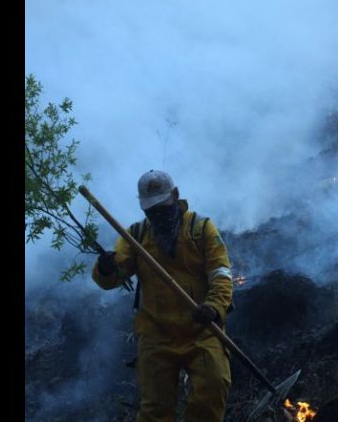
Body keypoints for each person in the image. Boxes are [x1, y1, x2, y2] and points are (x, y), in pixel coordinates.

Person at [92, 170, 234, 422]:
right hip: (156, 335)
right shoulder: (134, 237)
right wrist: (106, 268)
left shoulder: (201, 229)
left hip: (202, 330)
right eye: (151, 210)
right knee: (154, 411)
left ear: (176, 196)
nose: (158, 215)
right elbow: (117, 275)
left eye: (162, 207)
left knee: (211, 394)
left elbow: (221, 274)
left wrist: (213, 307)